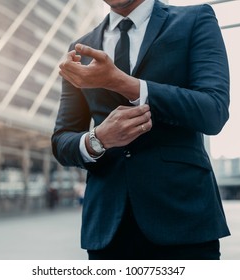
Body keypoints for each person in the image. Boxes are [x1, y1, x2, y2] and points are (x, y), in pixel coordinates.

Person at [52, 0, 230, 260]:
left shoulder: (195, 19)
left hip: (183, 218)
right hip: (107, 227)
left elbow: (213, 111)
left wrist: (123, 83)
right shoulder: (80, 49)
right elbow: (61, 141)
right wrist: (97, 139)